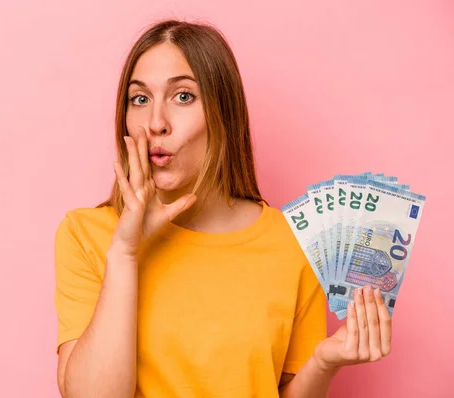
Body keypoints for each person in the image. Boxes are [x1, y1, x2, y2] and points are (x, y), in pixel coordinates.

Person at [54, 19, 392, 398]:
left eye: (183, 96)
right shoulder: (86, 234)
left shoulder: (293, 243)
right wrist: (125, 252)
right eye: (140, 98)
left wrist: (323, 363)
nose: (156, 123)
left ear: (223, 113)